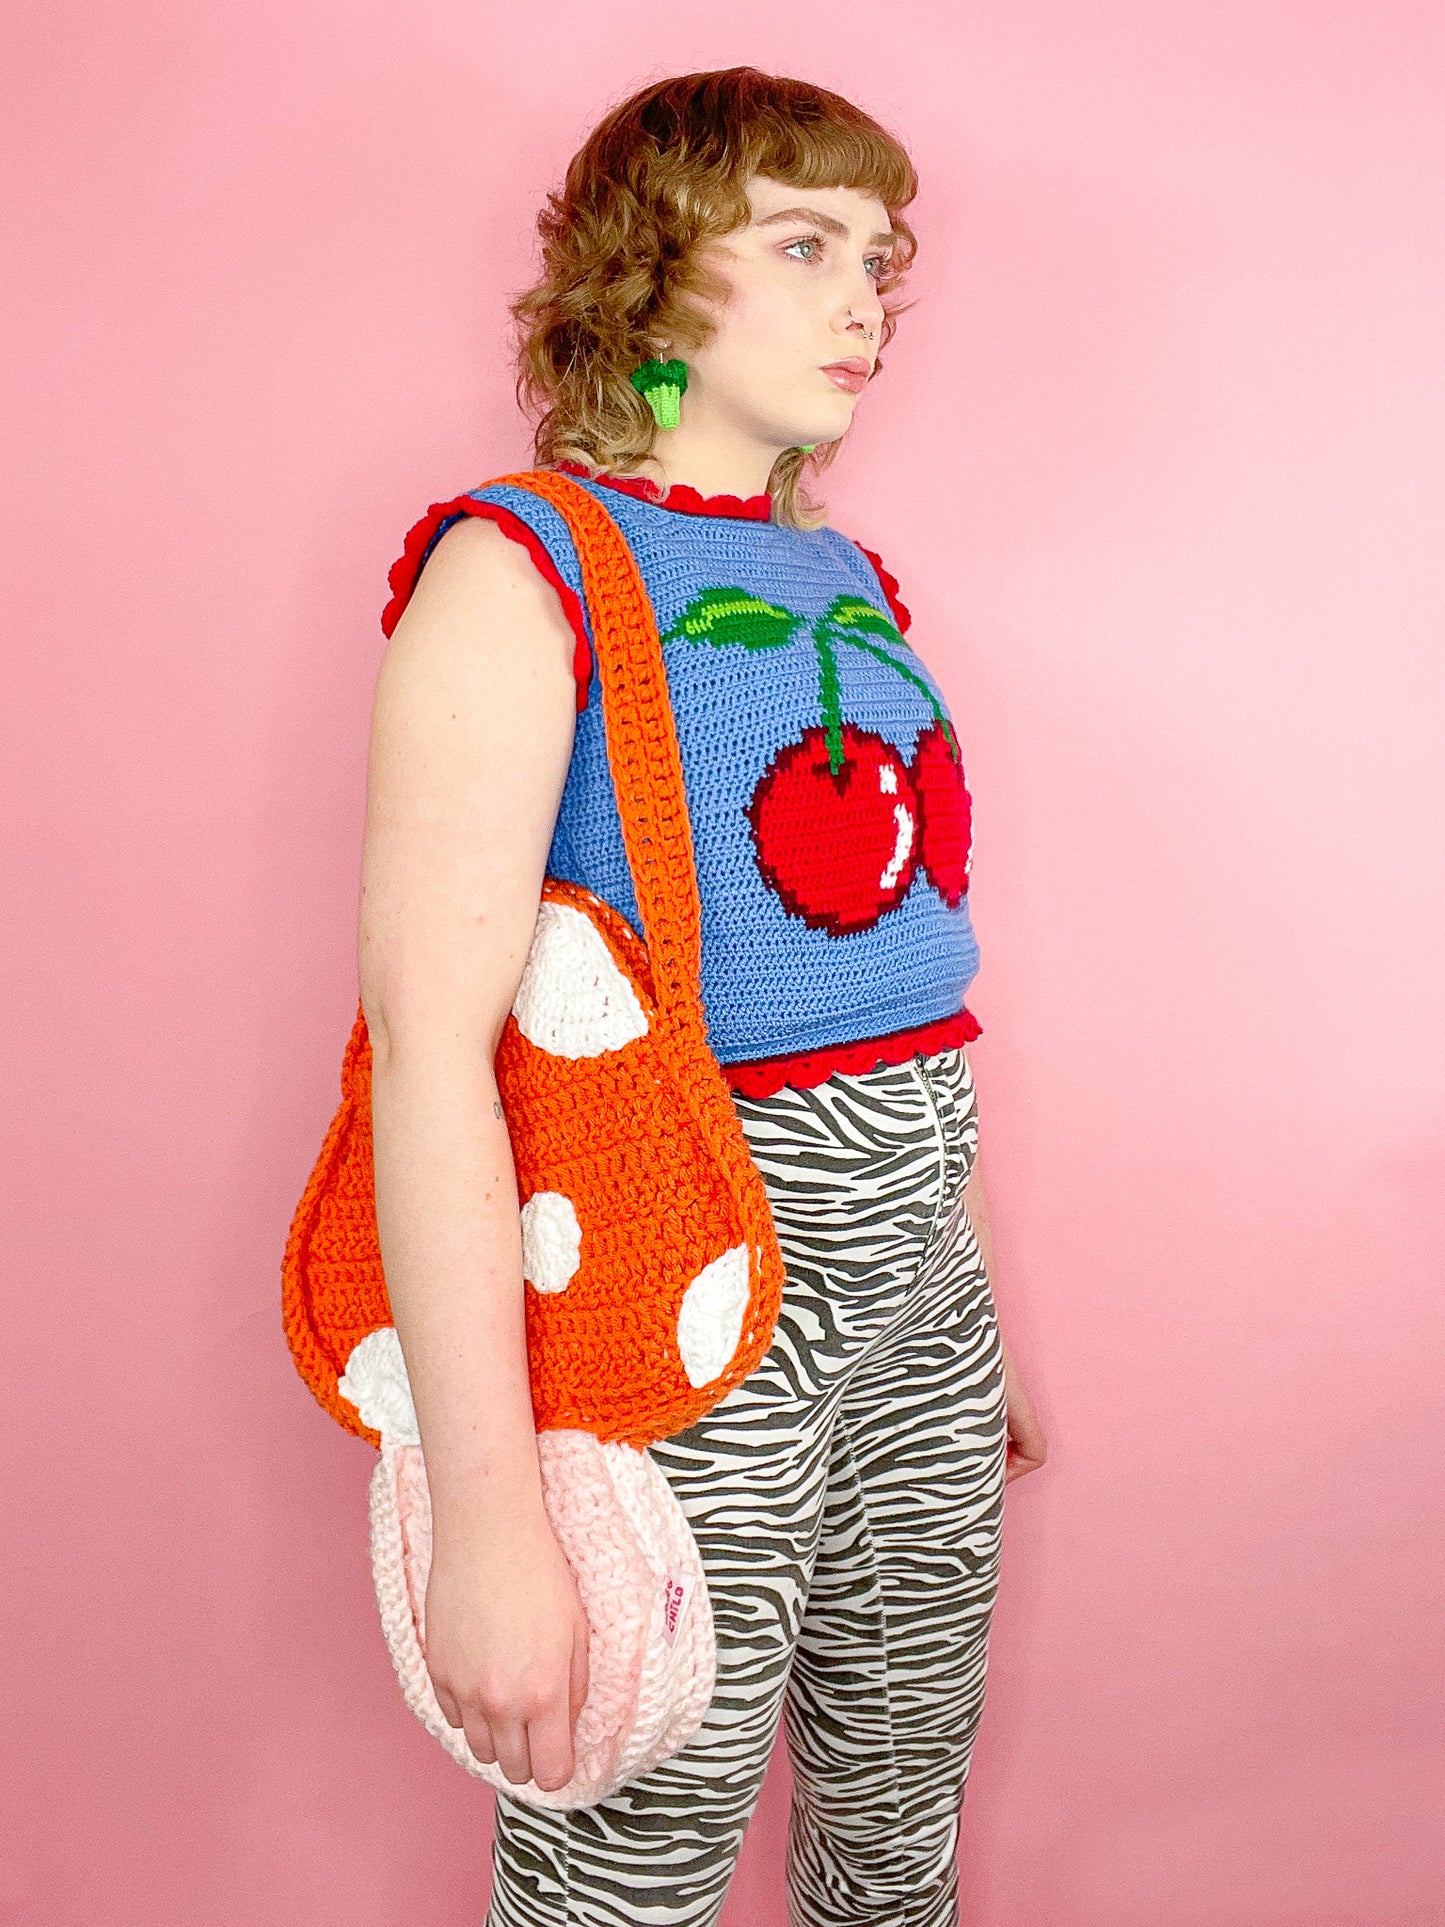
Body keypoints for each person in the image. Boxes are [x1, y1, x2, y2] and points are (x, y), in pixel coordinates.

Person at [359, 65, 1047, 1927]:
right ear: (652, 275)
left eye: (881, 261)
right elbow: (432, 1056)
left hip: (918, 1284)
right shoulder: (522, 567)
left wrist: (968, 1320)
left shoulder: (845, 582)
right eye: (805, 245)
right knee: (631, 1847)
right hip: (681, 1271)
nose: (864, 304)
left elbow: (898, 975)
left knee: (898, 1807)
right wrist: (490, 1524)